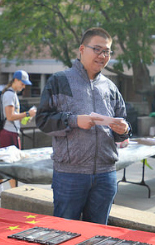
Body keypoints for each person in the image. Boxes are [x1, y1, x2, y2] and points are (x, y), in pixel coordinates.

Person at [36, 27, 130, 225]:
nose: (102, 56)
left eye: (107, 51)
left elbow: (123, 124)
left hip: (106, 174)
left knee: (97, 236)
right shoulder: (59, 81)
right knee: (63, 232)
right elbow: (42, 120)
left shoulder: (111, 87)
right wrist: (73, 120)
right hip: (70, 174)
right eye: (97, 49)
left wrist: (125, 130)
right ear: (81, 49)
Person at [0, 70, 37, 192]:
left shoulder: (10, 94)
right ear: (15, 80)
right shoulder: (10, 95)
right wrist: (27, 113)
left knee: (6, 163)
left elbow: (12, 117)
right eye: (22, 83)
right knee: (13, 165)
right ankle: (14, 192)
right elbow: (10, 116)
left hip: (9, 131)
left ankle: (1, 189)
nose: (24, 86)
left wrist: (25, 117)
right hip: (10, 132)